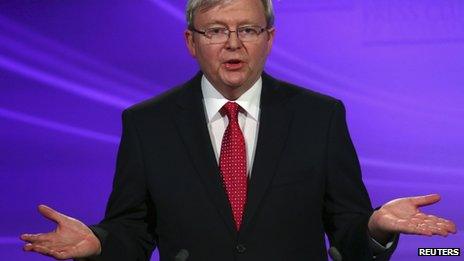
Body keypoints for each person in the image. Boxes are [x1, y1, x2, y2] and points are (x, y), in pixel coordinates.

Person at [21, 0, 457, 260]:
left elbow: (346, 228)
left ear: (270, 37)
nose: (233, 43)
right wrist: (98, 244)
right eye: (215, 30)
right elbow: (133, 230)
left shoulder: (319, 117)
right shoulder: (146, 123)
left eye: (247, 29)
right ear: (191, 42)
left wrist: (376, 227)